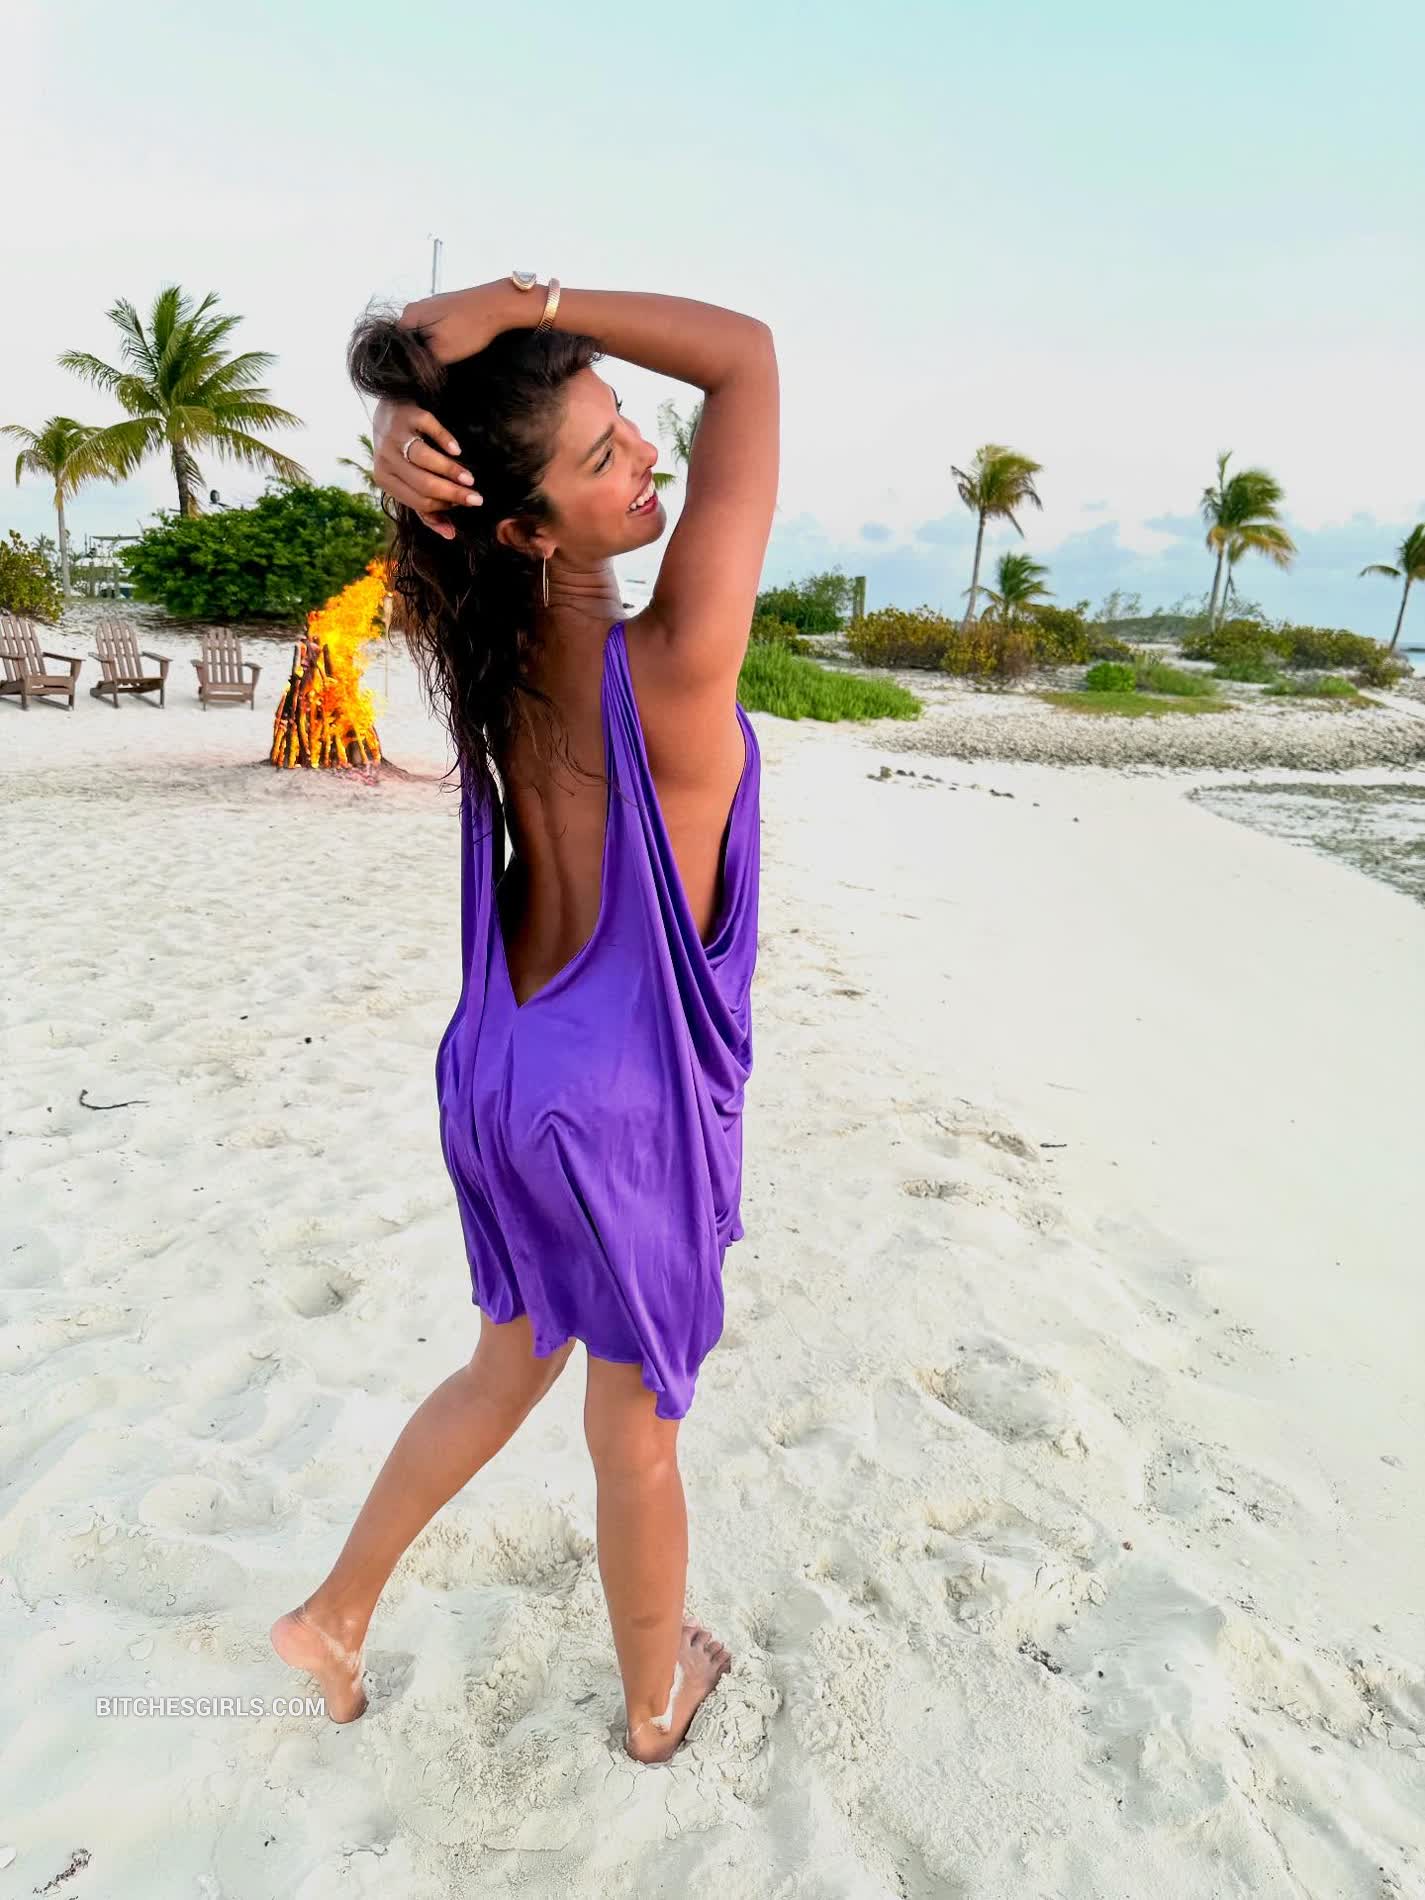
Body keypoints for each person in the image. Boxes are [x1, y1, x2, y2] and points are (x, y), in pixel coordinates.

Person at [270, 275, 779, 1765]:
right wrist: (534, 299)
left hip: (500, 1063)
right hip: (618, 1099)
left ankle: (334, 1619)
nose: (648, 458)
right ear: (524, 528)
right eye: (604, 455)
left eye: (628, 425)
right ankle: (655, 1701)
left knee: (507, 1365)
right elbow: (747, 360)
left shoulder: (491, 652)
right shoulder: (675, 666)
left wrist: (399, 410)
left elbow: (452, 441)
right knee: (636, 1429)